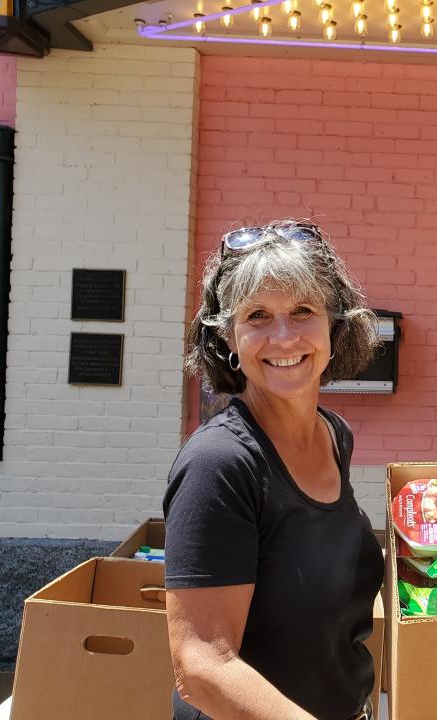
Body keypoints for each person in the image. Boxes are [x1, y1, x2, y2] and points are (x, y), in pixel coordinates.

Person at [163, 220, 385, 720]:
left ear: (334, 326)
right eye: (258, 316)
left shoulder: (333, 435)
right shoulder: (218, 464)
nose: (283, 337)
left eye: (303, 311)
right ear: (229, 339)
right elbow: (202, 666)